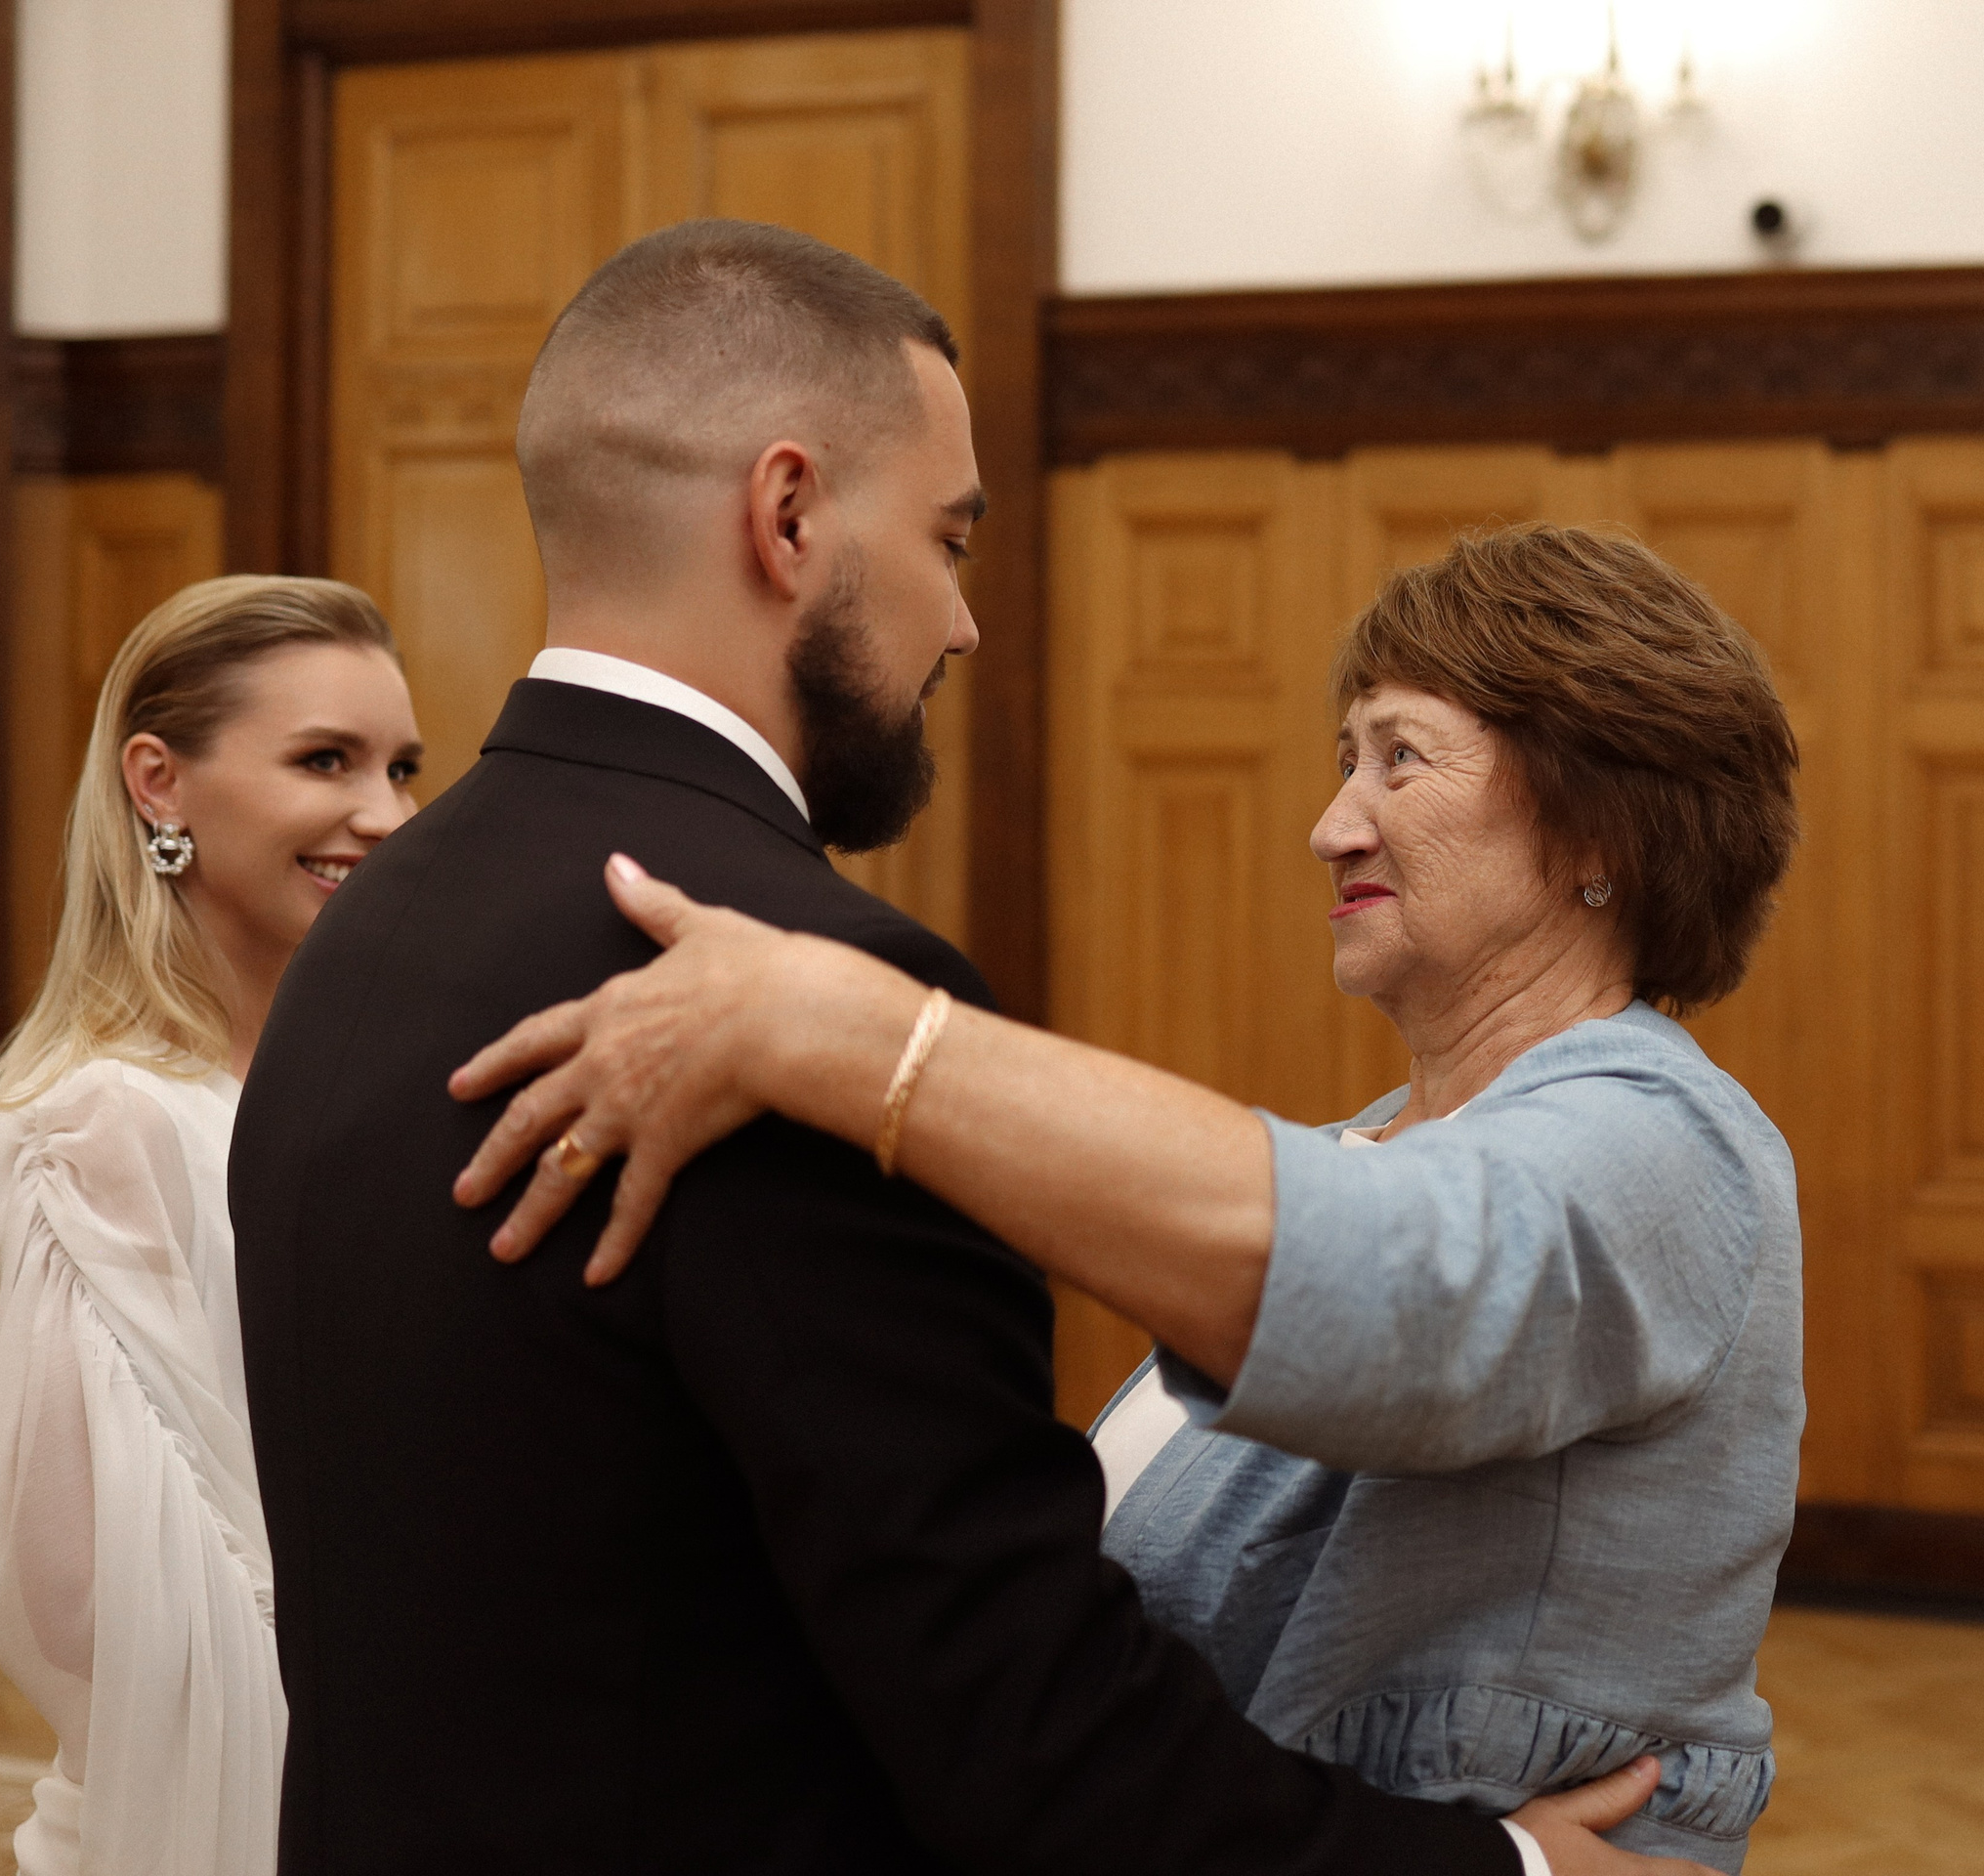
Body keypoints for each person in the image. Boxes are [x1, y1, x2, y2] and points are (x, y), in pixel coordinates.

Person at [233, 221, 1695, 1876]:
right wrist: (1499, 1873)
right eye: (951, 539)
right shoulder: (817, 998)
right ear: (788, 517)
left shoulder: (372, 918)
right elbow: (1035, 1741)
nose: (965, 626)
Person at [452, 522, 1802, 1874]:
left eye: (1401, 755)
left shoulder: (1669, 1137)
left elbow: (1405, 1296)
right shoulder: (1369, 1146)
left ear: (1599, 825)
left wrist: (844, 1030)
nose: (1332, 826)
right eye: (1346, 763)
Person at [0, 576, 422, 1876]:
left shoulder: (352, 1097)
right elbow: (81, 1606)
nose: (385, 815)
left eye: (402, 767)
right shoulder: (100, 1131)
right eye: (325, 761)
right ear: (158, 783)